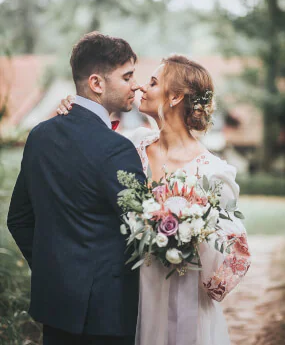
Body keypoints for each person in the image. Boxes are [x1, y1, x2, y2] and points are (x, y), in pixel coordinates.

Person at [58, 54, 251, 345]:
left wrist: (190, 232)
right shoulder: (132, 145)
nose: (140, 88)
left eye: (152, 82)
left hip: (183, 300)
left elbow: (234, 254)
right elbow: (90, 142)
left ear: (174, 97)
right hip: (130, 295)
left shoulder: (213, 172)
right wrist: (71, 111)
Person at [7, 32, 146, 345]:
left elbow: (18, 219)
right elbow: (143, 231)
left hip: (54, 305)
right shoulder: (117, 149)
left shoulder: (39, 136)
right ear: (96, 83)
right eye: (127, 77)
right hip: (108, 313)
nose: (135, 85)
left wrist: (54, 269)